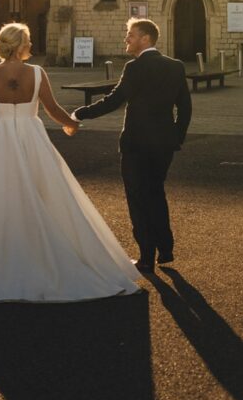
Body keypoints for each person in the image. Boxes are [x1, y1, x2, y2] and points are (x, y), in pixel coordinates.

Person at [0, 23, 141, 302]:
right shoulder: (36, 73)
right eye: (28, 41)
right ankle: (44, 254)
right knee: (46, 192)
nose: (31, 46)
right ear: (21, 45)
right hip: (31, 137)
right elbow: (52, 108)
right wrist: (71, 123)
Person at [72, 18, 192, 272]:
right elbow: (185, 107)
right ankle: (166, 248)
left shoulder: (134, 68)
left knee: (138, 199)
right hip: (164, 144)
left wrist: (79, 114)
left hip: (136, 144)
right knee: (156, 193)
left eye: (131, 35)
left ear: (145, 39)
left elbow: (114, 100)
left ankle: (147, 256)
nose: (126, 38)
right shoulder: (175, 67)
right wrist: (176, 136)